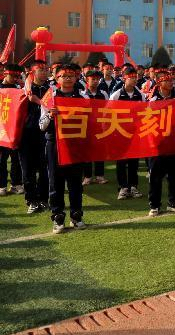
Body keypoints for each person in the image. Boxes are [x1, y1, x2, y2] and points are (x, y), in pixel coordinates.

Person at [40, 64, 86, 233]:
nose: (67, 78)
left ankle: (76, 215)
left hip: (76, 143)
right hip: (55, 144)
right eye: (63, 76)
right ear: (57, 78)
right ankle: (58, 217)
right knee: (56, 182)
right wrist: (50, 116)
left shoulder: (82, 96)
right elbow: (41, 126)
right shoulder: (50, 97)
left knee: (75, 182)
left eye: (71, 75)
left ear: (76, 78)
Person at [147, 72, 175, 216]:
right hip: (157, 143)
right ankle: (154, 205)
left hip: (174, 143)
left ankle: (174, 202)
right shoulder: (151, 100)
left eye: (171, 80)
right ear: (159, 83)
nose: (170, 82)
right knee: (155, 177)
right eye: (167, 80)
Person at [21, 61, 52, 214]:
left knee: (45, 168)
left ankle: (43, 199)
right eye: (41, 70)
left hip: (45, 133)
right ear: (33, 72)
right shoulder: (24, 90)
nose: (45, 72)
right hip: (26, 133)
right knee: (28, 169)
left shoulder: (51, 89)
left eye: (46, 69)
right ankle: (31, 200)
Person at [110, 66, 145, 199]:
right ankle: (123, 187)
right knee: (121, 162)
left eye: (136, 77)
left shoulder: (140, 95)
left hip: (135, 133)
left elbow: (144, 113)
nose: (134, 80)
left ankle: (133, 186)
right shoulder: (116, 95)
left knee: (134, 162)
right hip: (120, 133)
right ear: (124, 78)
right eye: (131, 77)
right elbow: (108, 113)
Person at [80, 69, 109, 186]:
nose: (96, 81)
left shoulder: (103, 94)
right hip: (86, 126)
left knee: (99, 151)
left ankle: (99, 176)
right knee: (86, 152)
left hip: (99, 126)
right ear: (87, 80)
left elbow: (107, 110)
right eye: (93, 79)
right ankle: (87, 176)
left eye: (97, 79)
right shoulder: (82, 95)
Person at [0, 64, 24, 196]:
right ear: (5, 74)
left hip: (15, 129)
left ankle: (16, 184)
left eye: (18, 76)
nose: (15, 78)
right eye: (13, 76)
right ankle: (1, 185)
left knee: (16, 158)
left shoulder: (20, 89)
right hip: (1, 129)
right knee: (1, 159)